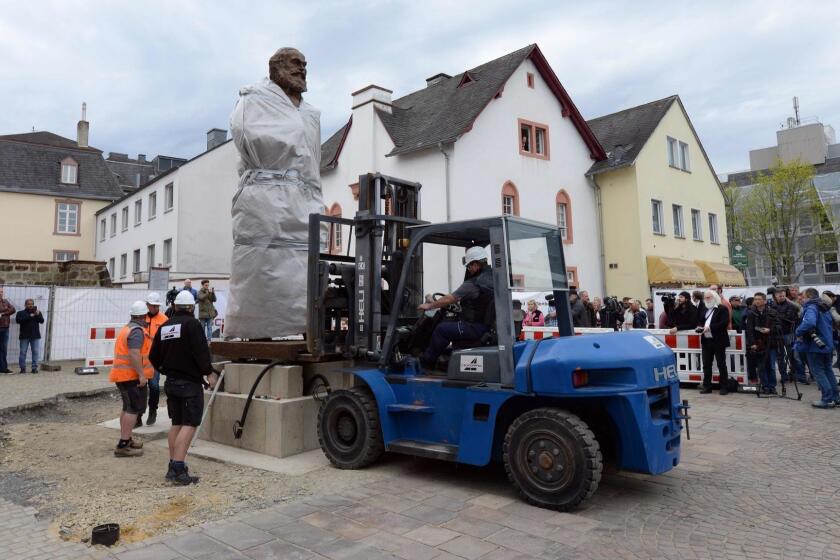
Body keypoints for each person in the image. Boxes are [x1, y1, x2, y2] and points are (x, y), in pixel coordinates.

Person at [149, 291, 218, 484]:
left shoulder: (165, 326)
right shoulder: (192, 325)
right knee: (190, 424)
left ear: (175, 306)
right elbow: (201, 351)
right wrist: (209, 373)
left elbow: (153, 356)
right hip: (189, 384)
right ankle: (179, 468)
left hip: (171, 383)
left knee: (177, 424)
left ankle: (173, 465)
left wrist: (164, 369)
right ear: (191, 307)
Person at [417, 246, 493, 369]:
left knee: (441, 329)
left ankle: (426, 363)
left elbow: (450, 298)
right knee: (450, 325)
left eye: (469, 266)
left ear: (476, 264)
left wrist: (429, 305)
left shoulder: (473, 283)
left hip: (474, 326)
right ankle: (444, 358)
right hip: (485, 325)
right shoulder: (493, 278)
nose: (469, 269)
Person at [109, 301, 153, 457]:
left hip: (123, 376)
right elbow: (134, 353)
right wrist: (141, 375)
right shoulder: (136, 331)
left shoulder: (127, 329)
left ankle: (126, 439)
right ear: (142, 316)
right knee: (133, 409)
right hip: (130, 377)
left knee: (128, 408)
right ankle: (123, 444)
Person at [795, 288, 839, 409]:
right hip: (828, 344)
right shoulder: (824, 307)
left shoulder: (811, 307)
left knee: (818, 372)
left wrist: (798, 331)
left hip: (816, 346)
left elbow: (809, 322)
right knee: (828, 371)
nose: (801, 299)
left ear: (809, 297)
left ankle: (827, 399)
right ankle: (836, 398)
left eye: (803, 297)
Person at [698, 289, 730, 395]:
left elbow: (724, 323)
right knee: (706, 364)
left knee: (721, 364)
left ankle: (724, 386)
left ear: (715, 298)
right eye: (705, 298)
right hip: (706, 340)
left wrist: (710, 327)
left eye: (709, 297)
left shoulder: (722, 309)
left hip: (719, 340)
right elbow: (700, 321)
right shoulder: (704, 309)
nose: (707, 299)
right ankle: (707, 386)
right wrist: (699, 327)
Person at [771, 289, 806, 386]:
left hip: (788, 333)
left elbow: (789, 318)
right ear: (775, 297)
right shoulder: (772, 306)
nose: (781, 297)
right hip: (777, 334)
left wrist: (776, 316)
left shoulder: (790, 306)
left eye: (783, 295)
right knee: (780, 357)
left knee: (792, 356)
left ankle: (798, 375)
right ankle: (783, 376)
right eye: (779, 296)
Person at [144, 292, 168, 426]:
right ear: (147, 305)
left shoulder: (164, 319)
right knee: (140, 387)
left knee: (154, 386)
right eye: (152, 305)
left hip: (155, 359)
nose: (155, 308)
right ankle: (138, 414)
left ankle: (153, 410)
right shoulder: (142, 318)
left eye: (156, 306)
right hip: (142, 359)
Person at [745, 293, 776, 393]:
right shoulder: (751, 313)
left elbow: (778, 326)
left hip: (771, 342)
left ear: (765, 301)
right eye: (755, 299)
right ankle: (765, 385)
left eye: (759, 299)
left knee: (771, 366)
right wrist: (752, 343)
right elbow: (749, 330)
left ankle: (772, 386)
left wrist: (770, 329)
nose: (757, 301)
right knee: (761, 366)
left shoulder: (772, 312)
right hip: (758, 343)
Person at [15, 300, 44, 374]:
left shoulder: (37, 312)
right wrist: (29, 316)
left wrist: (38, 315)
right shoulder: (21, 313)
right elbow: (18, 320)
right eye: (28, 304)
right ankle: (22, 368)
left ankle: (34, 368)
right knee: (23, 352)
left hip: (35, 336)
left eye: (32, 304)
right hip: (24, 336)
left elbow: (42, 321)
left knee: (35, 352)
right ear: (25, 305)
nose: (30, 305)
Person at [0, 287, 15, 374]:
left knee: (3, 349)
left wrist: (3, 313)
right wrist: (6, 310)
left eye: (2, 292)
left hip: (5, 328)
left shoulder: (6, 301)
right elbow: (10, 310)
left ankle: (3, 368)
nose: (0, 293)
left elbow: (13, 309)